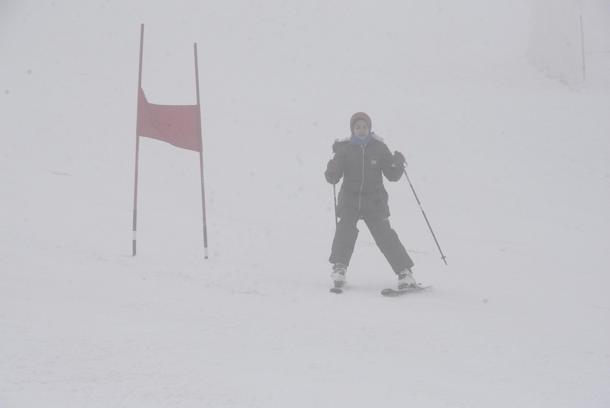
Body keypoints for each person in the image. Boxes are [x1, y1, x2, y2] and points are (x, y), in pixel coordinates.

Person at [325, 112, 416, 289]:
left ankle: (405, 272)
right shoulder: (345, 149)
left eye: (364, 127)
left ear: (369, 128)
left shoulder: (379, 148)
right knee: (344, 231)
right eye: (357, 127)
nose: (361, 130)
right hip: (350, 199)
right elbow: (334, 179)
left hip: (374, 201)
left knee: (385, 235)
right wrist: (331, 170)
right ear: (352, 129)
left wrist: (398, 164)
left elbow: (392, 175)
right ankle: (339, 268)